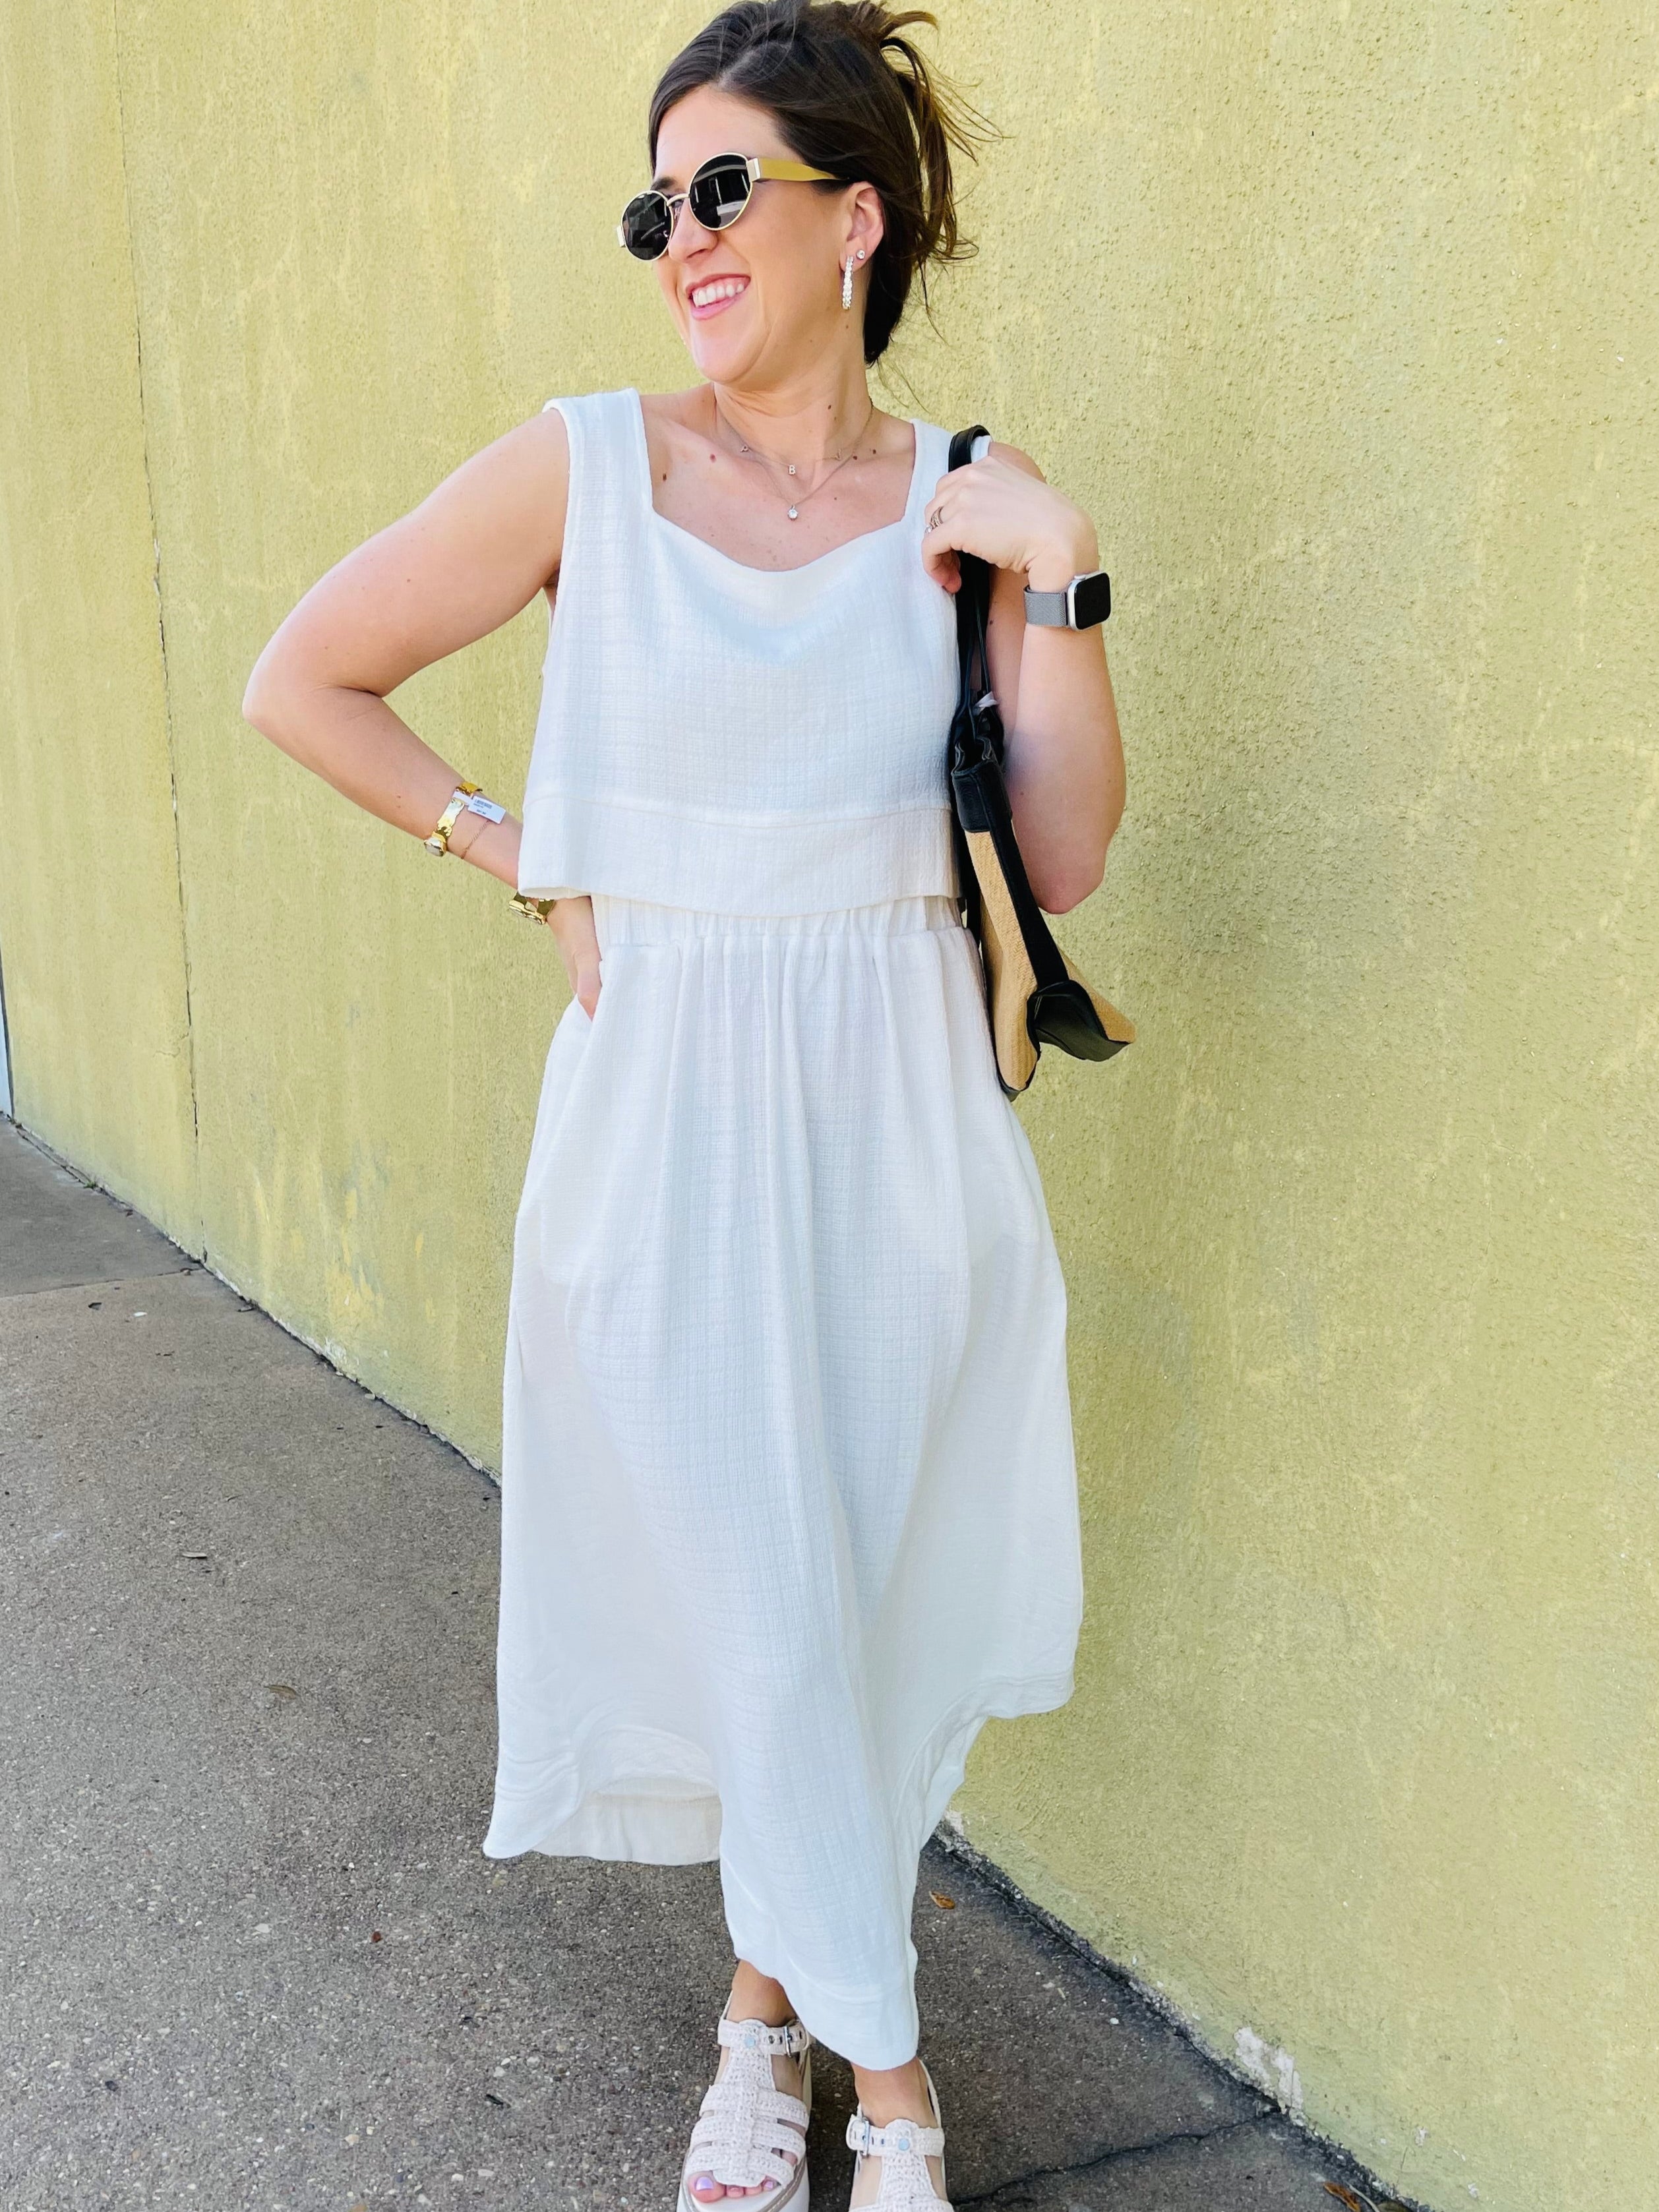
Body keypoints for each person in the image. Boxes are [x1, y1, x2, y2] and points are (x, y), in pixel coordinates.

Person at [242, 4, 1124, 2207]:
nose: (685, 241)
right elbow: (305, 677)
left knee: (849, 1616)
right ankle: (893, 2091)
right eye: (657, 209)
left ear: (858, 217)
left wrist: (1065, 574)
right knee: (762, 1591)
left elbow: (1062, 851)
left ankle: (757, 2019)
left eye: (724, 188)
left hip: (899, 1123)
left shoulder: (965, 498)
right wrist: (511, 842)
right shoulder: (583, 466)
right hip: (665, 1128)